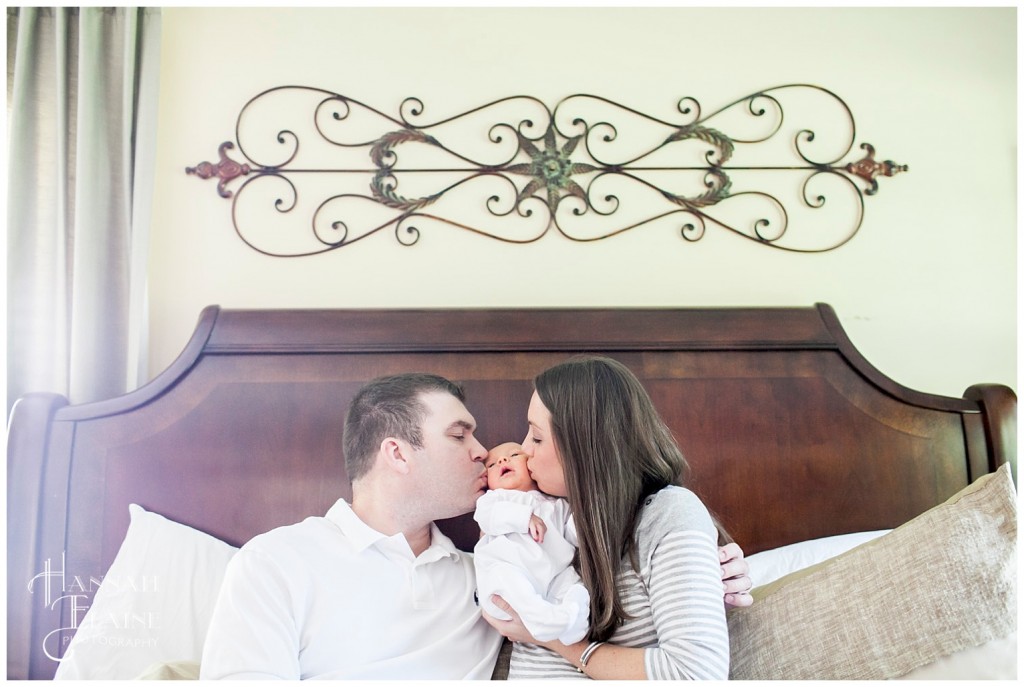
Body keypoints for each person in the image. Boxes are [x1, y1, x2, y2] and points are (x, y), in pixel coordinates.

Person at [200, 371, 752, 679]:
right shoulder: (276, 564)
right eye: (460, 435)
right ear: (397, 452)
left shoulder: (490, 576)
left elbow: (617, 589)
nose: (488, 453)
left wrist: (711, 566)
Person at [483, 356, 733, 679]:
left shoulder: (666, 516)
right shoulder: (542, 520)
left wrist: (552, 639)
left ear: (583, 447)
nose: (523, 449)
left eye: (537, 437)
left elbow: (695, 674)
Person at [474, 441, 589, 644]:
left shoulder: (557, 504)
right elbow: (486, 517)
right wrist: (524, 517)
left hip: (552, 576)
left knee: (573, 582)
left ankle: (572, 623)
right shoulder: (494, 500)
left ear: (532, 467)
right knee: (506, 578)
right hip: (506, 584)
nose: (502, 460)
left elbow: (574, 536)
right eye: (491, 465)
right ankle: (540, 621)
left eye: (515, 455)